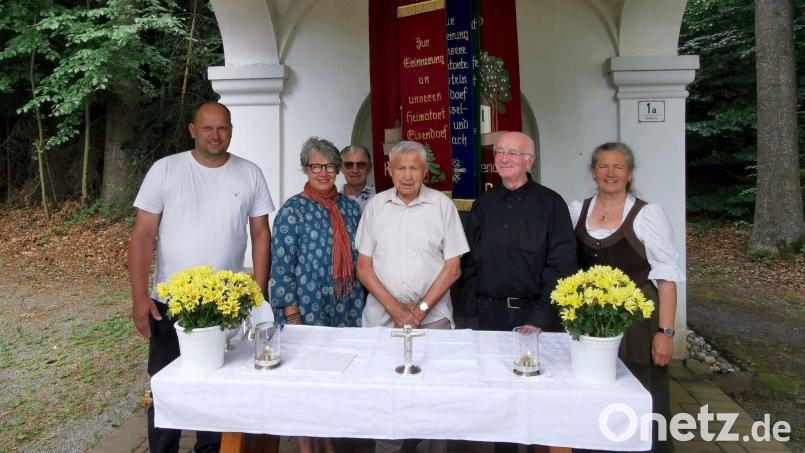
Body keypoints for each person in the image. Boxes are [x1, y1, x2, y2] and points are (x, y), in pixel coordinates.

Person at [128, 101, 274, 453]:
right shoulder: (165, 170)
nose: (215, 135)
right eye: (207, 128)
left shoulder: (249, 173)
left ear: (231, 130)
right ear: (193, 130)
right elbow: (142, 235)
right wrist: (138, 299)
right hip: (170, 304)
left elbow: (260, 235)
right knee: (166, 388)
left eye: (222, 128)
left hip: (226, 305)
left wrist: (258, 293)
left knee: (219, 389)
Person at [570, 142, 684, 453]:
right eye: (603, 166)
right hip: (590, 324)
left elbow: (667, 278)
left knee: (642, 395)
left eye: (618, 166)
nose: (610, 173)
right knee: (593, 395)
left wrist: (666, 333)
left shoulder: (648, 214)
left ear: (630, 174)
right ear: (593, 173)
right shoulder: (577, 210)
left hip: (636, 322)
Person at [356, 140, 468, 453]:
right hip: (383, 319)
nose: (407, 175)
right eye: (401, 168)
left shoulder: (442, 205)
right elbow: (363, 268)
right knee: (385, 396)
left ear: (425, 172)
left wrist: (417, 311)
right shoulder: (376, 206)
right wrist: (396, 309)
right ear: (389, 171)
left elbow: (453, 267)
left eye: (414, 168)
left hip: (432, 320)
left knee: (434, 397)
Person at [269, 136, 365, 453]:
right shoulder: (292, 211)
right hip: (308, 311)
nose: (323, 173)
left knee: (336, 378)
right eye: (316, 166)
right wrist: (292, 314)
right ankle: (307, 446)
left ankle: (330, 439)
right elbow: (281, 267)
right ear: (305, 168)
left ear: (337, 169)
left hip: (345, 307)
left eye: (329, 166)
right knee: (305, 382)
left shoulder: (351, 210)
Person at [463, 132, 577, 333]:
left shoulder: (552, 204)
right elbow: (469, 263)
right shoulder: (483, 204)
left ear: (529, 160)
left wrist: (539, 319)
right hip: (486, 317)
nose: (504, 159)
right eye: (499, 152)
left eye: (513, 153)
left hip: (535, 318)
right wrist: (472, 315)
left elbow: (561, 266)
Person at [340, 144, 376, 212]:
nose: (355, 170)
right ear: (341, 168)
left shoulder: (380, 197)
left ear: (369, 168)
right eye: (349, 165)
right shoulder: (333, 201)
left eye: (361, 165)